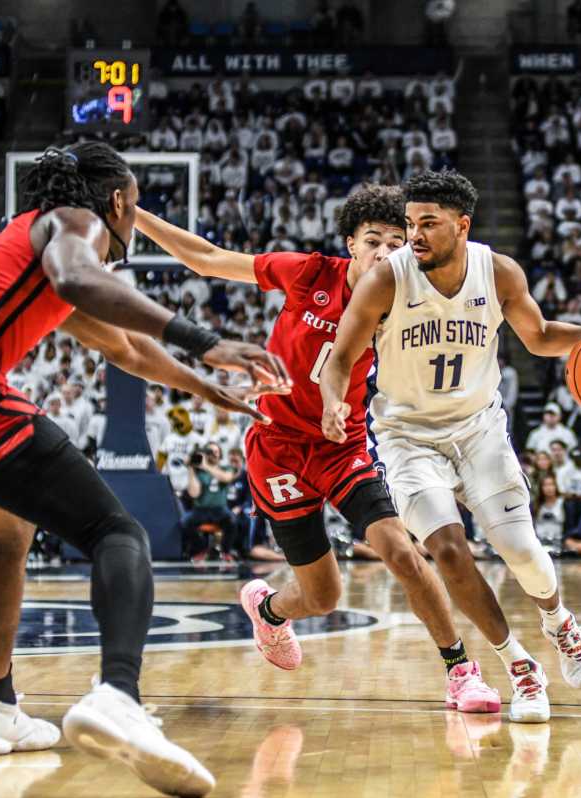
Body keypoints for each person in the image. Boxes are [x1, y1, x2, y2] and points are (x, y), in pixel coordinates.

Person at [0, 143, 290, 796]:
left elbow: (123, 345)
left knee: (8, 531)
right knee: (116, 533)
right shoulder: (71, 222)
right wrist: (207, 340)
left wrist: (205, 386)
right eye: (135, 205)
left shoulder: (22, 252)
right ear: (116, 201)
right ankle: (117, 692)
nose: (131, 219)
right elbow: (80, 280)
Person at [134, 184, 503, 716]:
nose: (384, 252)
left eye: (396, 242)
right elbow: (207, 259)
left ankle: (460, 670)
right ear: (350, 243)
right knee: (323, 597)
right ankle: (270, 610)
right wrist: (133, 211)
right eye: (372, 240)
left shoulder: (409, 297)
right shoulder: (309, 273)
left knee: (399, 550)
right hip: (277, 445)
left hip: (342, 443)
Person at [320, 170, 581, 723]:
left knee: (522, 551)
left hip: (479, 430)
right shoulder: (385, 279)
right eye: (410, 224)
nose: (415, 236)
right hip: (407, 437)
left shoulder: (497, 272)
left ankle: (559, 624)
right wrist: (334, 400)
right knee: (449, 551)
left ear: (462, 224)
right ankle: (520, 667)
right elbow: (339, 357)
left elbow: (540, 335)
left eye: (428, 223)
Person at [181, 442, 241, 562]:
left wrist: (206, 467)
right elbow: (194, 493)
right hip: (201, 510)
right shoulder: (198, 471)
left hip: (220, 509)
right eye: (209, 451)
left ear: (220, 454)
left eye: (216, 452)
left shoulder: (226, 468)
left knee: (233, 521)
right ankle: (201, 550)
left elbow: (226, 478)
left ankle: (225, 551)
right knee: (185, 522)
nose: (213, 454)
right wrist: (191, 468)